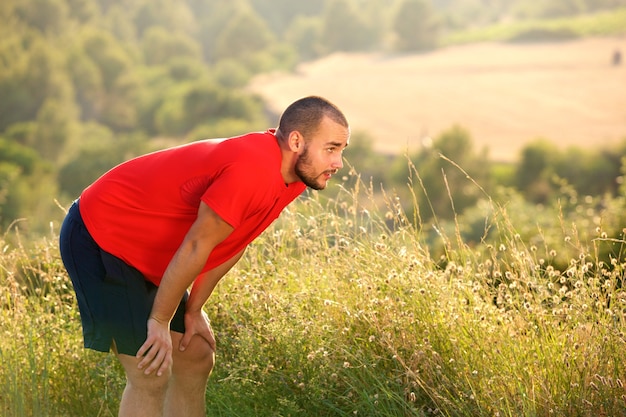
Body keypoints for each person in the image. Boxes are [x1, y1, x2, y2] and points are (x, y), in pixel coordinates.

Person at [59, 95, 350, 417]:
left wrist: (193, 310)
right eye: (331, 149)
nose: (338, 163)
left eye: (341, 151)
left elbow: (234, 242)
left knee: (196, 355)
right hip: (101, 236)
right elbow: (197, 245)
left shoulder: (291, 177)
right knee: (149, 369)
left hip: (147, 249)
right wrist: (159, 321)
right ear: (297, 141)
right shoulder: (253, 169)